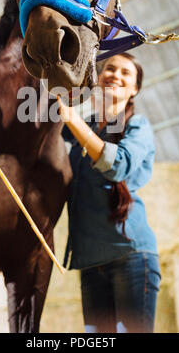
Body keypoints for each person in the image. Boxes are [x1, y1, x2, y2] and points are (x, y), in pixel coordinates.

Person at [57, 52, 161, 334]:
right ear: (98, 79)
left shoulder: (137, 127)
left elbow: (117, 165)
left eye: (126, 73)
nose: (115, 75)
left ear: (134, 89)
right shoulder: (83, 130)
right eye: (110, 69)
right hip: (91, 262)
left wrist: (69, 115)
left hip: (131, 256)